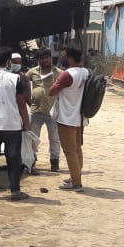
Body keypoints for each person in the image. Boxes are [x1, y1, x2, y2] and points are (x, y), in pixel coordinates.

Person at [0, 48, 31, 200]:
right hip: (11, 125)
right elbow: (21, 103)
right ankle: (15, 191)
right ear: (8, 61)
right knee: (13, 158)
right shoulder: (15, 79)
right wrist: (26, 123)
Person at [48, 47, 90, 193]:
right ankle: (75, 177)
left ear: (71, 58)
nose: (63, 59)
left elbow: (52, 91)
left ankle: (76, 183)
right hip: (80, 117)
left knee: (69, 151)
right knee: (77, 149)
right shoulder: (86, 72)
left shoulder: (67, 74)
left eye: (65, 56)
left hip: (66, 117)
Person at [27, 49, 63, 173]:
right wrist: (27, 98)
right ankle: (31, 162)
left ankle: (54, 162)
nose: (45, 60)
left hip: (52, 112)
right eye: (42, 58)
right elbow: (23, 83)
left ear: (51, 58)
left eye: (47, 57)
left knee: (54, 138)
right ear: (38, 60)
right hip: (36, 111)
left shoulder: (59, 73)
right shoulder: (32, 72)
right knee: (33, 138)